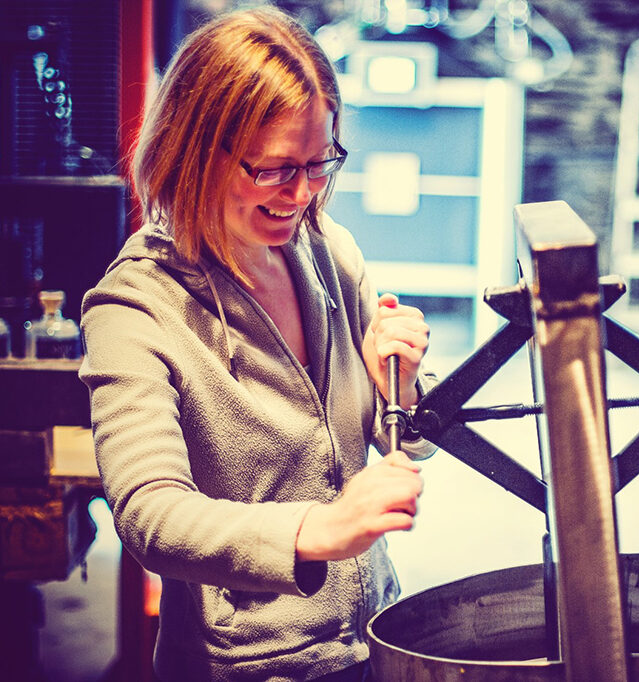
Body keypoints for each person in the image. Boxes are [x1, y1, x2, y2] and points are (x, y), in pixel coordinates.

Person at [79, 6, 437, 681]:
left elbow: (407, 438)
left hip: (375, 638)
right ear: (194, 147)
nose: (301, 195)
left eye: (319, 163)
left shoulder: (329, 252)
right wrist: (315, 531)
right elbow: (148, 514)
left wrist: (403, 383)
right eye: (272, 170)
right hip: (247, 666)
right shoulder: (137, 307)